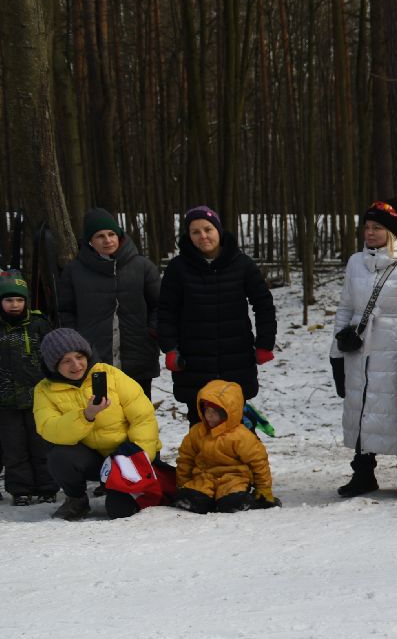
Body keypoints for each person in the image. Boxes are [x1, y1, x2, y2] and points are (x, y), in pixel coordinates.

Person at [331, 201, 397, 499]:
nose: (370, 233)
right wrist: (337, 349)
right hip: (360, 351)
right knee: (360, 408)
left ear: (391, 233)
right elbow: (346, 307)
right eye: (368, 227)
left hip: (395, 352)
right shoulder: (354, 263)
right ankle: (363, 473)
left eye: (378, 228)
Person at [157, 206, 277, 424]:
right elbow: (165, 311)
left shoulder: (242, 264)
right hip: (194, 363)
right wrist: (170, 348)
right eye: (195, 232)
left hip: (236, 360)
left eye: (208, 229)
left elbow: (264, 304)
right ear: (189, 236)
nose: (203, 236)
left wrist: (265, 344)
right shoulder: (177, 269)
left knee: (238, 431)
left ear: (218, 230)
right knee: (200, 428)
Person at [33, 328, 162, 520]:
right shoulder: (44, 390)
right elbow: (50, 429)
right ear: (54, 365)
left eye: (79, 357)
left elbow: (143, 417)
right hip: (93, 460)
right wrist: (86, 415)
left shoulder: (110, 374)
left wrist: (138, 458)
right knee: (59, 455)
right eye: (66, 361)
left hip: (128, 455)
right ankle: (76, 500)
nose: (76, 365)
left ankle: (116, 486)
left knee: (120, 511)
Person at [57, 209, 162, 399]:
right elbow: (66, 311)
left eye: (112, 234)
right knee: (104, 419)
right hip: (94, 360)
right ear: (90, 241)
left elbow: (160, 305)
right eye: (100, 236)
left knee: (140, 418)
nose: (107, 240)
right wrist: (76, 344)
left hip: (138, 357)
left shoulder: (143, 267)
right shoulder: (74, 271)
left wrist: (152, 331)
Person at [174, 379, 276, 513]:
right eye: (206, 410)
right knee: (190, 499)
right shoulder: (197, 432)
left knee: (231, 504)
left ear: (228, 413)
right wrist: (183, 484)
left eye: (214, 412)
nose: (208, 416)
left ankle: (250, 502)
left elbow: (258, 462)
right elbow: (186, 459)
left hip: (234, 479)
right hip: (204, 479)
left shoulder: (241, 436)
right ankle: (206, 502)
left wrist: (263, 489)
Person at [0, 271, 57, 505]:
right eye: (8, 300)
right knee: (13, 448)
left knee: (41, 444)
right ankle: (20, 489)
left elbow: (53, 355)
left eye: (19, 300)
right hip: (5, 401)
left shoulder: (39, 324)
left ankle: (47, 486)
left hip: (38, 397)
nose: (14, 305)